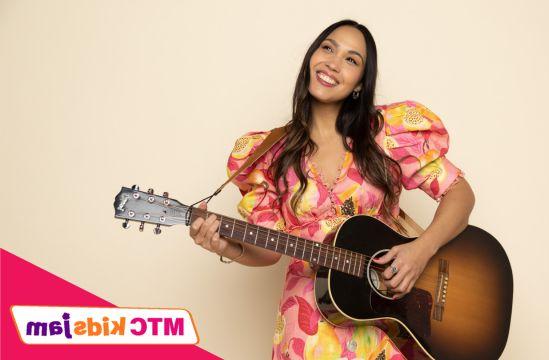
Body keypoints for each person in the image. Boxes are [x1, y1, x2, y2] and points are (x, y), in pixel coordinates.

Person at [189, 19, 475, 360]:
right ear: (311, 57)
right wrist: (224, 244)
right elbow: (270, 249)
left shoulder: (384, 135)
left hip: (382, 322)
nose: (333, 63)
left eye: (351, 60)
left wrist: (422, 250)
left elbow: (459, 192)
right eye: (327, 48)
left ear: (359, 84)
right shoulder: (269, 154)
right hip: (307, 331)